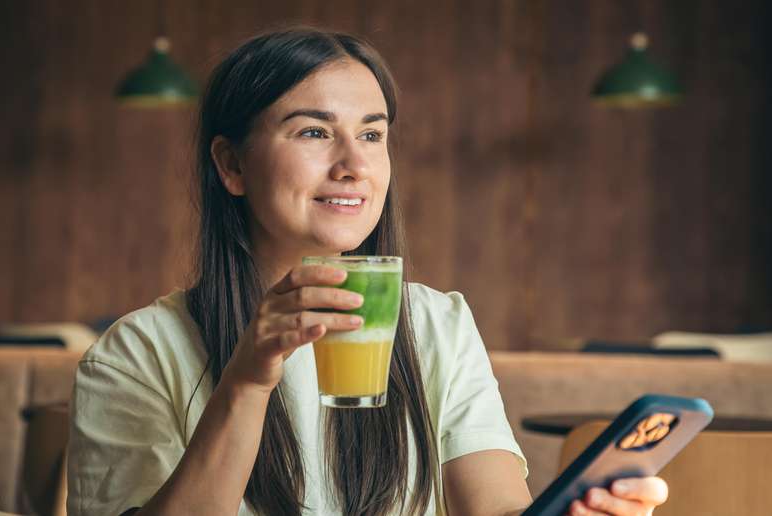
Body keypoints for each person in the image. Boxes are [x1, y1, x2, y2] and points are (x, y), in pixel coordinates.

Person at [67, 27, 669, 516]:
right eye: (313, 131)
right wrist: (248, 379)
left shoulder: (438, 325)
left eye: (373, 134)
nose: (355, 164)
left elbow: (496, 508)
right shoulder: (136, 352)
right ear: (231, 164)